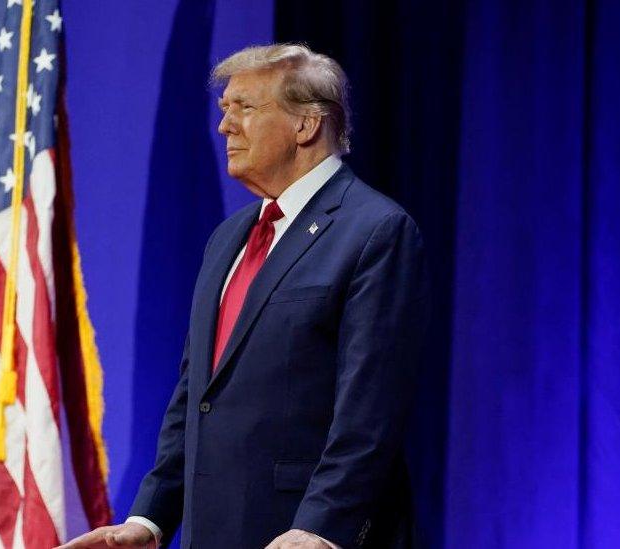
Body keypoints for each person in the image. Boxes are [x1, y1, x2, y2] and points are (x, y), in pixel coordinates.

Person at [58, 43, 430, 549]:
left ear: (307, 125)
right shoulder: (229, 238)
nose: (225, 127)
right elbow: (196, 396)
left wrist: (320, 526)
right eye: (224, 110)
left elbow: (371, 409)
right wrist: (150, 519)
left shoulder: (376, 230)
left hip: (306, 536)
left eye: (245, 109)